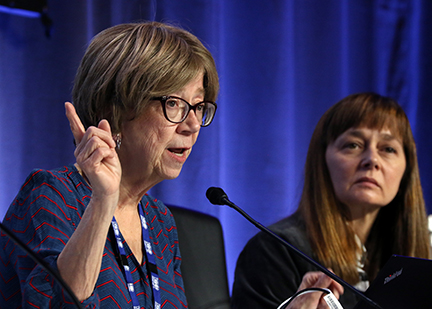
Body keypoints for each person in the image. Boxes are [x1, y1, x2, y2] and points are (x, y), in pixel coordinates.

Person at [0, 21, 219, 308]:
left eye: (199, 107)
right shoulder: (51, 196)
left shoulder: (159, 221)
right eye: (175, 103)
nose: (192, 125)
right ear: (113, 110)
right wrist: (104, 200)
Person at [231, 93, 431, 309]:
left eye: (388, 149)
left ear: (406, 171)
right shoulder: (274, 252)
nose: (372, 160)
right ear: (323, 161)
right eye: (353, 145)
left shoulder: (411, 258)